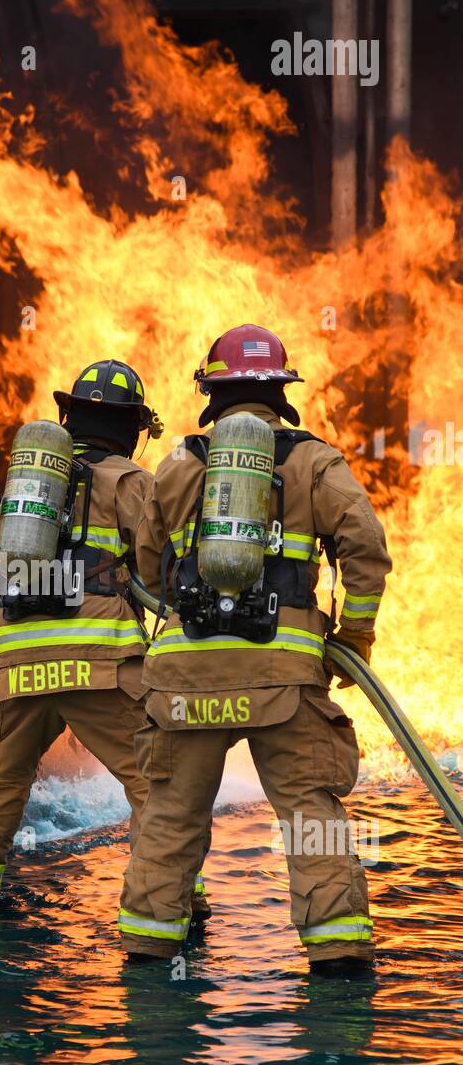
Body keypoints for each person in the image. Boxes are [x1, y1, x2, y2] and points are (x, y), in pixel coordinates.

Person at [118, 324, 392, 975]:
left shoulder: (180, 462)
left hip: (183, 675)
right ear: (281, 391)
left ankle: (150, 952)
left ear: (211, 391)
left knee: (170, 814)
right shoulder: (314, 461)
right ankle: (338, 958)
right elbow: (366, 551)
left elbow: (150, 563)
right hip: (283, 677)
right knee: (310, 816)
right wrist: (351, 638)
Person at [0, 360, 215, 912]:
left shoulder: (26, 496)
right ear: (133, 427)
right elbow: (156, 563)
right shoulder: (131, 482)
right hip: (98, 661)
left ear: (70, 416)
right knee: (155, 777)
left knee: (2, 773)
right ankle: (175, 897)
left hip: (19, 660)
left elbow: (3, 563)